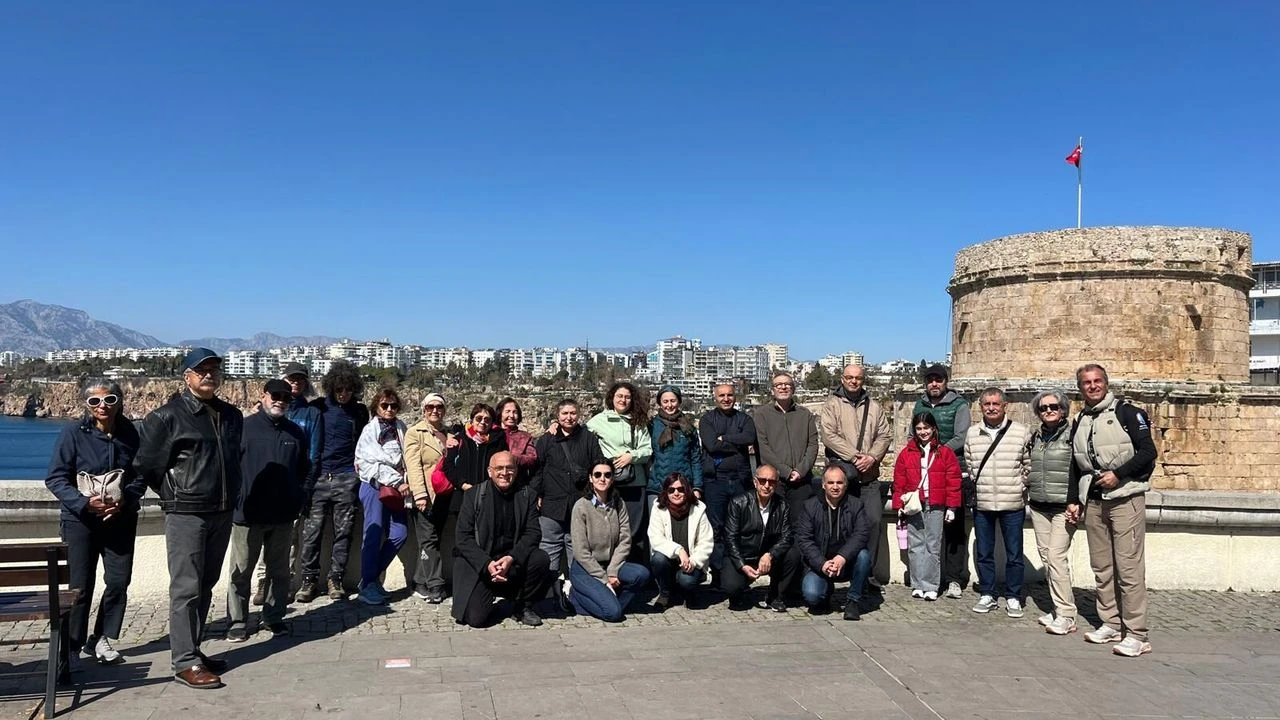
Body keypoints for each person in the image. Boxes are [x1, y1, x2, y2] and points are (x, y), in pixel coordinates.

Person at [134, 348, 243, 689]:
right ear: (187, 376)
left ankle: (193, 650)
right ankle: (183, 662)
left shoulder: (231, 415)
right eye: (201, 370)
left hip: (221, 510)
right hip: (187, 513)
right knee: (185, 588)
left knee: (206, 585)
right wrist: (177, 493)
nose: (209, 375)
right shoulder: (166, 417)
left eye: (214, 369)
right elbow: (147, 466)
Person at [44, 379, 144, 666]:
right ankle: (72, 647)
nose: (103, 406)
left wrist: (125, 500)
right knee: (80, 585)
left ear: (119, 401)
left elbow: (140, 476)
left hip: (120, 520)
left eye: (109, 400)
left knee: (118, 581)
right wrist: (83, 503)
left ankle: (101, 637)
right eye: (95, 401)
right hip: (80, 522)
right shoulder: (72, 434)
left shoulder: (131, 434)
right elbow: (55, 478)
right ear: (86, 405)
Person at [1071, 364, 1157, 657]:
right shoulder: (1080, 419)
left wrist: (1118, 474)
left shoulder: (1128, 413)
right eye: (1086, 382)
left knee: (1129, 567)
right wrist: (1074, 499)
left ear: (1106, 384)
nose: (1092, 386)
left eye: (1097, 381)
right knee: (1102, 566)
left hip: (1124, 497)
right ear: (1080, 387)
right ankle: (1110, 621)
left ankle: (1136, 633)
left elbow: (1148, 452)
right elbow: (1076, 463)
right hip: (1094, 499)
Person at [226, 379, 309, 642]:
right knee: (241, 572)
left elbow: (305, 471)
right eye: (275, 395)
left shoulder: (295, 433)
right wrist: (237, 500)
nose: (280, 400)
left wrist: (298, 498)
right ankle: (238, 621)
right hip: (247, 515)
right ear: (263, 396)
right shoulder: (244, 428)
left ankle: (273, 617)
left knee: (279, 571)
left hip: (283, 516)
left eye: (286, 397)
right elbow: (229, 468)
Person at [451, 451, 551, 628]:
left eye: (509, 468)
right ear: (490, 471)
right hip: (481, 565)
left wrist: (512, 558)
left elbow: (533, 533)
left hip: (511, 562)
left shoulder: (527, 495)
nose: (505, 473)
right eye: (499, 468)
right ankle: (487, 597)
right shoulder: (473, 495)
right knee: (476, 619)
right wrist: (487, 564)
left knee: (540, 558)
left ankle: (523, 606)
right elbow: (463, 538)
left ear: (516, 470)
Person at [296, 361, 369, 603]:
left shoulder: (359, 412)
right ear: (330, 386)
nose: (344, 393)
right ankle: (309, 580)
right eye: (339, 388)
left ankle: (335, 578)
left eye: (348, 389)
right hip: (318, 478)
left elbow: (363, 442)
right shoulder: (317, 407)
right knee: (312, 532)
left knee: (344, 532)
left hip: (347, 478)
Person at [817, 365, 889, 602]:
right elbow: (829, 435)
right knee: (839, 526)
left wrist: (872, 457)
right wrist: (855, 456)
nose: (854, 381)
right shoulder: (832, 405)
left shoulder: (875, 406)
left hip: (868, 477)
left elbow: (884, 436)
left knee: (874, 521)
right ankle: (836, 571)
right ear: (842, 379)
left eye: (858, 378)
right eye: (849, 377)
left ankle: (866, 574)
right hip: (845, 475)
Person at [252, 362, 322, 607]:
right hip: (264, 487)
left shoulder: (311, 413)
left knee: (291, 539)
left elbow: (313, 454)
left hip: (293, 487)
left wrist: (305, 488)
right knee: (261, 539)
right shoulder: (268, 412)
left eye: (301, 380)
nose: (296, 383)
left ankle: (286, 582)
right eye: (292, 379)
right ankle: (262, 581)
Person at [963, 388, 1032, 618]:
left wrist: (1020, 485)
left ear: (1005, 406)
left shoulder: (1021, 432)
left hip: (1012, 502)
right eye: (986, 404)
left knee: (1014, 554)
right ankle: (988, 593)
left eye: (995, 404)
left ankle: (1013, 596)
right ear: (980, 407)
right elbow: (971, 464)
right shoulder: (973, 434)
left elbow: (1028, 464)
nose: (991, 408)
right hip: (983, 503)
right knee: (984, 552)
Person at [532, 399, 606, 599]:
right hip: (551, 504)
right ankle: (547, 597)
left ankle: (579, 595)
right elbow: (538, 469)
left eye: (573, 413)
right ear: (557, 415)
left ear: (579, 414)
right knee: (549, 552)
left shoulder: (589, 439)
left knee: (579, 552)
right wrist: (537, 494)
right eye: (564, 413)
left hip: (579, 505)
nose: (569, 417)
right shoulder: (547, 440)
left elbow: (597, 467)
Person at [912, 364, 971, 600]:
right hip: (925, 474)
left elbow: (961, 436)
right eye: (930, 380)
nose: (934, 384)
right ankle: (925, 579)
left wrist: (937, 452)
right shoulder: (920, 404)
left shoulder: (959, 405)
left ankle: (954, 579)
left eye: (938, 380)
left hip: (952, 469)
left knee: (954, 529)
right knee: (926, 531)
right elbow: (911, 434)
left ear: (946, 381)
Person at [1026, 389, 1081, 636]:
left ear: (1063, 410)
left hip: (1064, 507)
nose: (1048, 411)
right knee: (1048, 559)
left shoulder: (1074, 435)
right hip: (1039, 504)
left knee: (1057, 558)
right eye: (1043, 408)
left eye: (1053, 407)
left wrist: (1076, 501)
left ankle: (1067, 614)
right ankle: (1059, 607)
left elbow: (1081, 468)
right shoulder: (1035, 437)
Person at [567, 461, 652, 622]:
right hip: (586, 568)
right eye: (597, 475)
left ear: (613, 479)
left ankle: (609, 601)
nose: (602, 479)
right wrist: (604, 580)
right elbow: (580, 551)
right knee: (612, 614)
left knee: (641, 574)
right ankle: (574, 598)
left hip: (612, 564)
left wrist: (612, 571)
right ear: (591, 479)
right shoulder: (581, 507)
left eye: (607, 475)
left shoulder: (619, 504)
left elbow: (625, 540)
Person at [891, 413, 961, 601]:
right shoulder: (906, 454)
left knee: (933, 545)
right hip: (915, 504)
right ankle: (918, 583)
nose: (923, 432)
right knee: (915, 545)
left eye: (926, 428)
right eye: (919, 429)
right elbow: (899, 481)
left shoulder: (945, 452)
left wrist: (952, 508)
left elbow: (953, 481)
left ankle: (931, 585)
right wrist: (899, 504)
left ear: (933, 429)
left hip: (936, 504)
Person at [354, 387, 410, 606]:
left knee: (400, 533)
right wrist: (398, 480)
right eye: (384, 405)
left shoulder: (400, 427)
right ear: (376, 407)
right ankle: (368, 585)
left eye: (393, 406)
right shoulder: (370, 431)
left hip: (397, 489)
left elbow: (406, 457)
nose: (389, 409)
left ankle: (369, 578)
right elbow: (373, 462)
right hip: (375, 486)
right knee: (374, 533)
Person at [794, 465, 873, 620]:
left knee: (863, 555)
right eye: (830, 483)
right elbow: (804, 540)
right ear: (823, 485)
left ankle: (853, 601)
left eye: (839, 482)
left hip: (847, 563)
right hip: (820, 564)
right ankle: (825, 592)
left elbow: (862, 534)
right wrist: (822, 564)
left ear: (846, 485)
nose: (835, 487)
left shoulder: (856, 505)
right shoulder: (810, 506)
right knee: (813, 596)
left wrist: (841, 557)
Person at [698, 383, 757, 580]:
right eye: (721, 395)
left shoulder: (745, 419)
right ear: (715, 397)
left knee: (740, 526)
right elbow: (712, 445)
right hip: (716, 481)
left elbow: (749, 437)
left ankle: (740, 571)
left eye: (730, 395)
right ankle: (718, 573)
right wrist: (736, 444)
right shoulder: (707, 419)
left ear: (735, 397)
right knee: (717, 528)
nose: (726, 398)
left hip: (741, 480)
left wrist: (725, 438)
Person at [721, 464, 796, 612]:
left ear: (777, 484)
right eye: (763, 481)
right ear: (755, 482)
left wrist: (770, 554)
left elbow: (787, 536)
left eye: (772, 482)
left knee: (793, 554)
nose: (767, 485)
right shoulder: (738, 502)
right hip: (743, 555)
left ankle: (775, 596)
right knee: (731, 587)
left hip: (767, 556)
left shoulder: (783, 505)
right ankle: (739, 592)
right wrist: (742, 564)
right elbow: (730, 537)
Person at [587, 381, 653, 546]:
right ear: (612, 398)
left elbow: (647, 449)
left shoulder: (638, 421)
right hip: (610, 482)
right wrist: (555, 425)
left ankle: (635, 567)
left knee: (634, 529)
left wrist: (632, 456)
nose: (623, 400)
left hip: (635, 483)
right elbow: (579, 435)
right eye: (620, 396)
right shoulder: (599, 420)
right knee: (610, 527)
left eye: (627, 397)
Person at [404, 392, 453, 603]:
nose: (435, 411)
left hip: (444, 496)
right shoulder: (416, 433)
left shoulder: (448, 433)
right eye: (430, 407)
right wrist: (420, 495)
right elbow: (413, 465)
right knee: (429, 540)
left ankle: (419, 580)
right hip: (426, 495)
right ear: (424, 410)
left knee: (432, 540)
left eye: (439, 407)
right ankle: (435, 584)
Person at [647, 473, 714, 610]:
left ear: (687, 490)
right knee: (658, 559)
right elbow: (655, 538)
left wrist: (693, 561)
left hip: (691, 562)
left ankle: (689, 592)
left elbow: (706, 542)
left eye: (680, 489)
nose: (676, 493)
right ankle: (665, 594)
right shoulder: (658, 507)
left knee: (686, 581)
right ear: (666, 492)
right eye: (671, 490)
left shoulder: (698, 509)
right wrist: (679, 550)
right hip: (669, 561)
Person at [752, 372, 819, 509]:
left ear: (793, 389)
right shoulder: (761, 414)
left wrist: (801, 470)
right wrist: (786, 472)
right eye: (778, 385)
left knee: (799, 524)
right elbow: (763, 447)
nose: (783, 387)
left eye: (787, 384)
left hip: (802, 481)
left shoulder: (805, 414)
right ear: (772, 390)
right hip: (774, 482)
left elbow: (813, 445)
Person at [649, 385, 703, 504]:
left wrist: (697, 487)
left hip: (683, 487)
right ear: (660, 403)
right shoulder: (652, 425)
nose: (669, 405)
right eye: (665, 401)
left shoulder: (688, 427)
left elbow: (695, 459)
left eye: (673, 401)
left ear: (679, 402)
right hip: (657, 487)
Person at [496, 397, 537, 486]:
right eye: (507, 411)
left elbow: (532, 458)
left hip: (518, 485)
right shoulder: (492, 434)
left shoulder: (525, 437)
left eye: (515, 412)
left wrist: (513, 458)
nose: (511, 415)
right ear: (500, 414)